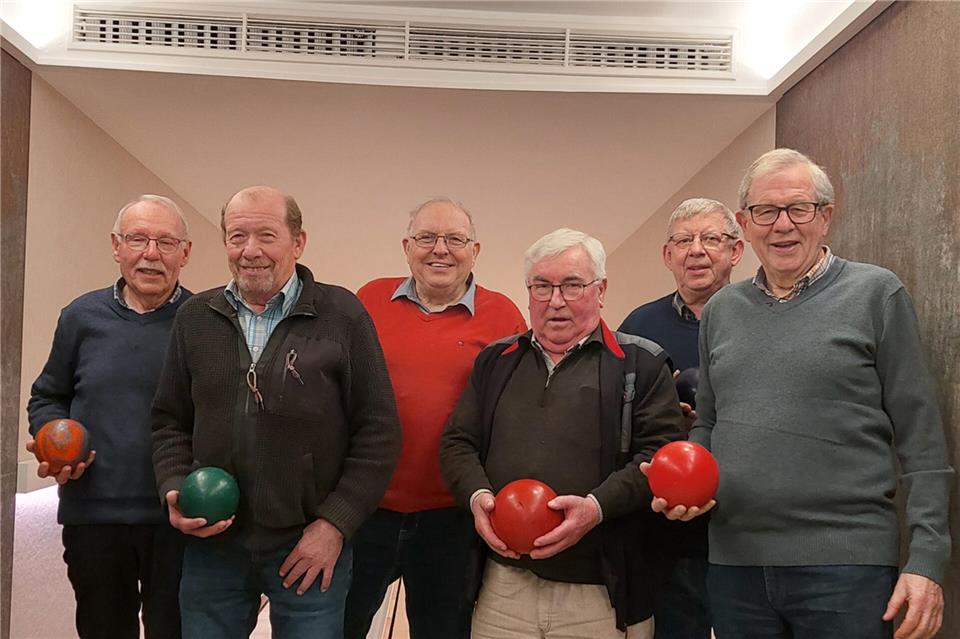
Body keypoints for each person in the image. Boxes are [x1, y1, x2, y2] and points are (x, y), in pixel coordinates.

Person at [661, 149, 952, 639]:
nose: (783, 225)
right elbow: (709, 423)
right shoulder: (722, 311)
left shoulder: (877, 295)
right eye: (766, 212)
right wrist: (687, 488)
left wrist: (926, 558)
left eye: (799, 209)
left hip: (847, 570)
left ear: (826, 217)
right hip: (735, 568)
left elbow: (921, 437)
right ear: (744, 224)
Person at [151, 185, 401, 639]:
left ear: (298, 242)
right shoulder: (194, 317)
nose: (250, 251)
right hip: (213, 547)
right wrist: (173, 487)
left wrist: (335, 524)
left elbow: (379, 432)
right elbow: (169, 421)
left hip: (308, 547)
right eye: (236, 236)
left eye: (266, 235)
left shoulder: (342, 315)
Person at [440, 228, 685, 638]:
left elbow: (658, 456)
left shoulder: (641, 364)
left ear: (601, 289)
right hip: (503, 587)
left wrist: (596, 507)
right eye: (542, 286)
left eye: (572, 285)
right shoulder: (495, 361)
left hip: (600, 591)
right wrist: (478, 498)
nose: (555, 301)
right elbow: (457, 444)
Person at [346, 197, 527, 639]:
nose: (439, 249)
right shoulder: (368, 300)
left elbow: (519, 408)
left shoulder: (504, 315)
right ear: (407, 246)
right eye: (427, 238)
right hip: (366, 510)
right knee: (340, 626)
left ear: (476, 250)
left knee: (444, 631)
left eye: (454, 239)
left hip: (453, 516)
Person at [27, 194, 193, 639]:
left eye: (165, 242)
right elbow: (47, 396)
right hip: (93, 516)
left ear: (185, 253)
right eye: (138, 239)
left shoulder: (204, 321)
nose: (150, 254)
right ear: (117, 246)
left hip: (178, 518)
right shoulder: (80, 317)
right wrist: (51, 438)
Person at [618, 197, 743, 639]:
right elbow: (616, 417)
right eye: (684, 240)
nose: (697, 250)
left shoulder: (762, 317)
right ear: (667, 256)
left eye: (711, 238)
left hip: (746, 524)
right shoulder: (637, 328)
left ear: (736, 251)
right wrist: (662, 416)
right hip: (667, 530)